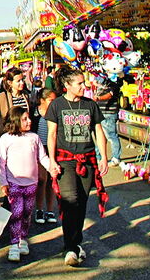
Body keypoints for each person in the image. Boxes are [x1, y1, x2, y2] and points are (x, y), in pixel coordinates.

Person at [45, 67, 110, 266]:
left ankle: (75, 242)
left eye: (84, 82)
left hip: (88, 158)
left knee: (81, 201)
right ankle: (71, 247)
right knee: (69, 200)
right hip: (66, 159)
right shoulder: (56, 105)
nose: (84, 86)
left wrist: (104, 157)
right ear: (67, 86)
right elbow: (52, 134)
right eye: (79, 83)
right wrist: (52, 161)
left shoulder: (90, 105)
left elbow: (98, 132)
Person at [0, 106, 51, 262]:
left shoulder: (34, 138)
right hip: (13, 183)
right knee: (16, 212)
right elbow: (1, 163)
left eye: (29, 118)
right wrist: (4, 182)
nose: (29, 121)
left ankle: (23, 238)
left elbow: (42, 157)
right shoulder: (6, 138)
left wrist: (52, 168)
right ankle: (14, 243)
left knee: (27, 212)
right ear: (15, 121)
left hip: (31, 183)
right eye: (24, 119)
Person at [34, 89, 59, 224]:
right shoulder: (34, 112)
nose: (53, 103)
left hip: (52, 149)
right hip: (38, 149)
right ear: (42, 100)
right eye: (50, 100)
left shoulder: (56, 113)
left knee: (51, 179)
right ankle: (39, 209)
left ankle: (49, 209)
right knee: (41, 179)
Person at [0, 67, 32, 137]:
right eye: (18, 81)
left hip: (24, 136)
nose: (22, 83)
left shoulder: (25, 95)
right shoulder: (2, 97)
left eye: (22, 80)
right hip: (7, 136)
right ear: (10, 82)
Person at [94, 75, 123, 166]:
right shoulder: (102, 81)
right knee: (100, 136)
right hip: (100, 112)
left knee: (111, 136)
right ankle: (98, 157)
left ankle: (116, 158)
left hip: (109, 113)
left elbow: (109, 95)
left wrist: (99, 98)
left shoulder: (115, 84)